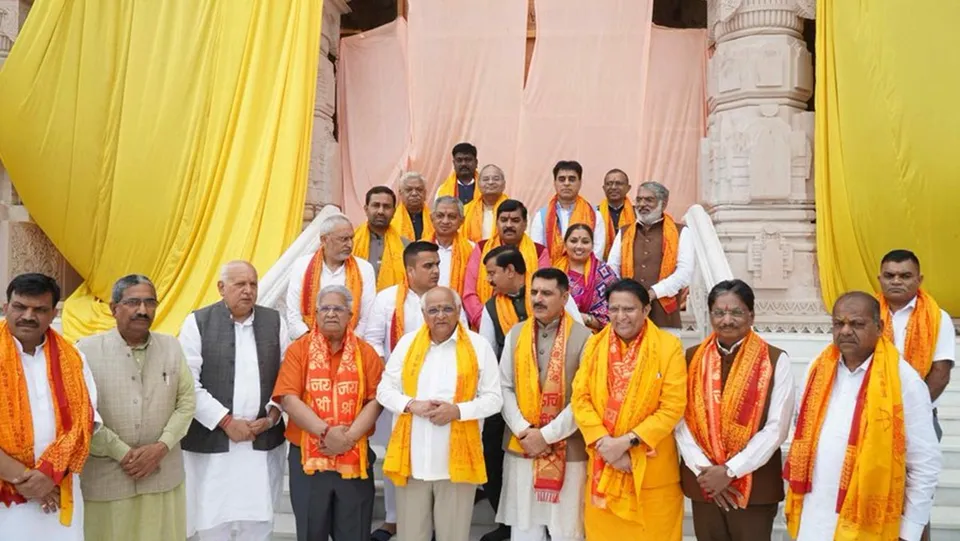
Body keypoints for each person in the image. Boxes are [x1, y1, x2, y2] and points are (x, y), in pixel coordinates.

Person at [783, 291, 941, 541]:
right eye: (839, 323)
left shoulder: (904, 380)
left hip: (871, 522)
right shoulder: (817, 369)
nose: (845, 331)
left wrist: (910, 531)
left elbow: (924, 462)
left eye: (857, 324)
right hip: (815, 514)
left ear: (879, 328)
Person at [674, 280, 796, 541]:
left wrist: (729, 471)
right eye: (719, 313)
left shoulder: (775, 359)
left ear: (751, 315)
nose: (727, 320)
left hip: (755, 487)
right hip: (704, 483)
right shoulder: (691, 358)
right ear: (710, 315)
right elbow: (680, 420)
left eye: (736, 312)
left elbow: (777, 428)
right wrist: (706, 472)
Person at [377, 287, 503, 541]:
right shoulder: (408, 344)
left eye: (447, 309)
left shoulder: (478, 346)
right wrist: (411, 404)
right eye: (433, 310)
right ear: (424, 314)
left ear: (458, 311)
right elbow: (384, 390)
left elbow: (494, 400)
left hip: (457, 466)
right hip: (412, 461)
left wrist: (457, 411)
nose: (441, 315)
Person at [78, 274, 197, 541]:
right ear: (114, 308)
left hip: (162, 475)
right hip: (107, 480)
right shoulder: (86, 350)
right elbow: (83, 413)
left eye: (149, 303)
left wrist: (161, 447)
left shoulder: (171, 346)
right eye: (133, 302)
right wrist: (123, 454)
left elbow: (187, 402)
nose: (143, 310)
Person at [362, 241, 467, 541]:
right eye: (428, 265)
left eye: (437, 264)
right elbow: (372, 342)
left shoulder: (448, 299)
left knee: (439, 460)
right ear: (409, 270)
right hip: (402, 397)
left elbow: (464, 342)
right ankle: (394, 519)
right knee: (398, 456)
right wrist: (394, 381)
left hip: (444, 397)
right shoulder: (386, 299)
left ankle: (435, 522)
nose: (435, 271)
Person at [178, 261, 289, 541]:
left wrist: (272, 416)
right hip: (212, 439)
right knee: (211, 518)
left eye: (253, 284)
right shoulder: (197, 322)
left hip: (261, 437)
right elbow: (187, 383)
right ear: (221, 288)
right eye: (240, 284)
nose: (248, 291)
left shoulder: (274, 322)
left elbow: (287, 376)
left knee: (258, 518)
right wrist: (226, 421)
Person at [572, 279, 687, 541]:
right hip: (604, 467)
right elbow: (580, 398)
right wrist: (606, 446)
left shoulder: (668, 347)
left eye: (629, 309)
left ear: (646, 310)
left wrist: (626, 443)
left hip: (652, 476)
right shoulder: (594, 345)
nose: (620, 316)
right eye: (614, 309)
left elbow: (672, 406)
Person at [272, 285, 384, 541]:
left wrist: (348, 438)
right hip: (308, 460)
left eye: (338, 309)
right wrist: (326, 433)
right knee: (312, 532)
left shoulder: (366, 353)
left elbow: (376, 400)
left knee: (355, 533)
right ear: (315, 314)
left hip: (354, 456)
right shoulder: (298, 350)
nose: (331, 314)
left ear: (350, 315)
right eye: (325, 308)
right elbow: (289, 399)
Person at [0, 273, 98, 541]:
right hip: (8, 496)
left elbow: (85, 423)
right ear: (6, 307)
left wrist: (50, 475)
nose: (28, 316)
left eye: (40, 309)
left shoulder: (74, 358)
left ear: (54, 313)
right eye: (20, 307)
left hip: (59, 488)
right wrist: (28, 481)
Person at [497, 269, 592, 541]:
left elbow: (583, 397)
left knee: (567, 531)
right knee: (524, 528)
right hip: (523, 445)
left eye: (547, 293)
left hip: (568, 448)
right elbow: (504, 387)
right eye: (534, 292)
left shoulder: (585, 338)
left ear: (565, 297)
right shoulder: (516, 334)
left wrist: (546, 435)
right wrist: (524, 430)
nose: (538, 299)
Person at [876, 249, 954, 439]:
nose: (896, 281)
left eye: (905, 276)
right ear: (880, 279)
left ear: (919, 280)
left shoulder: (937, 318)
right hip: (872, 413)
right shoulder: (866, 314)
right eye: (889, 276)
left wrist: (912, 410)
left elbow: (940, 374)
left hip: (920, 416)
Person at [607, 181, 694, 330]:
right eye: (639, 199)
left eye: (649, 200)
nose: (642, 204)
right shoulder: (624, 232)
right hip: (628, 313)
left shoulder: (681, 232)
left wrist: (654, 292)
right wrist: (626, 295)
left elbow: (685, 273)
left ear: (663, 204)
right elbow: (612, 269)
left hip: (664, 314)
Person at [478, 247, 584, 357]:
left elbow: (580, 335)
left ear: (510, 270)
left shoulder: (555, 293)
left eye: (492, 273)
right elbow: (487, 353)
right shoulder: (491, 307)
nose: (488, 280)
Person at [285, 214, 377, 339]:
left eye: (351, 238)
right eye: (344, 239)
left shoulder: (364, 269)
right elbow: (293, 315)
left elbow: (367, 318)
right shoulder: (302, 266)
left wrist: (348, 344)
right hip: (308, 342)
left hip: (352, 343)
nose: (350, 244)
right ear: (324, 240)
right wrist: (312, 342)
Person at [463, 199, 550, 328]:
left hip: (530, 325)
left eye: (515, 220)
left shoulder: (539, 252)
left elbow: (545, 289)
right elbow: (469, 293)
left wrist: (529, 327)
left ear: (525, 224)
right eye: (503, 220)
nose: (509, 225)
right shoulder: (481, 248)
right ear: (496, 223)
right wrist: (487, 322)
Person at [530, 161, 605, 263]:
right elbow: (538, 251)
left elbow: (597, 252)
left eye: (572, 179)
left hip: (585, 271)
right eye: (562, 179)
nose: (566, 183)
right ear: (555, 183)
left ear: (580, 183)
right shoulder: (542, 216)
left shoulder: (594, 214)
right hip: (550, 271)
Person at [554, 224, 619, 332]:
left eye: (585, 242)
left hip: (594, 335)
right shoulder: (555, 270)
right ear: (565, 244)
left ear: (592, 245)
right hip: (557, 332)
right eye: (573, 241)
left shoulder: (604, 273)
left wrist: (582, 318)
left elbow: (615, 312)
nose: (579, 246)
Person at [354, 186, 411, 292]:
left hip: (394, 300)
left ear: (394, 211)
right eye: (376, 205)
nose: (381, 211)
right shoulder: (351, 242)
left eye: (386, 207)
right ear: (366, 209)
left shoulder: (407, 247)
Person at [430, 196, 475, 297]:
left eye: (452, 217)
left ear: (462, 221)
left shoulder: (472, 250)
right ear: (432, 218)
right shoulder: (420, 248)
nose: (445, 221)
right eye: (440, 216)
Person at [463, 164, 509, 242]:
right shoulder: (465, 210)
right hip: (472, 249)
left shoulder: (515, 210)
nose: (490, 182)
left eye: (496, 179)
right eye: (486, 179)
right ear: (478, 184)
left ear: (504, 183)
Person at [596, 169, 635, 259]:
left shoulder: (637, 214)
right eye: (609, 184)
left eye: (618, 183)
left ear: (628, 188)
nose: (613, 187)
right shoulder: (594, 213)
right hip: (600, 262)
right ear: (604, 188)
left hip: (630, 262)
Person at [392, 172, 434, 241]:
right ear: (400, 193)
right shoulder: (391, 219)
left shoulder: (434, 219)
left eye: (419, 190)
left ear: (425, 193)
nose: (414, 193)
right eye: (409, 190)